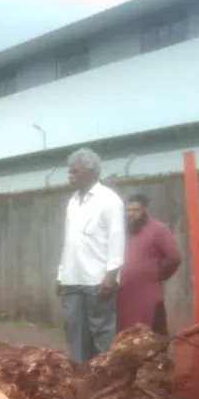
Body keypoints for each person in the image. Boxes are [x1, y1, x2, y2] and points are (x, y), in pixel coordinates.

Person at [55, 147, 125, 363]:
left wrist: (111, 276)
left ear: (91, 172)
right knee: (74, 331)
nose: (70, 176)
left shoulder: (110, 200)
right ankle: (80, 377)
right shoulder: (73, 201)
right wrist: (60, 274)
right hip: (71, 280)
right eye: (70, 171)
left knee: (102, 334)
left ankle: (104, 378)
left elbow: (116, 239)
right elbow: (69, 241)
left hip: (97, 280)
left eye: (75, 172)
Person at [116, 194, 182, 335]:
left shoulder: (159, 229)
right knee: (127, 337)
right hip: (125, 295)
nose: (131, 214)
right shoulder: (123, 231)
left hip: (148, 294)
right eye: (128, 210)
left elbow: (174, 257)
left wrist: (156, 273)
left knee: (153, 336)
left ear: (145, 209)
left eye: (135, 210)